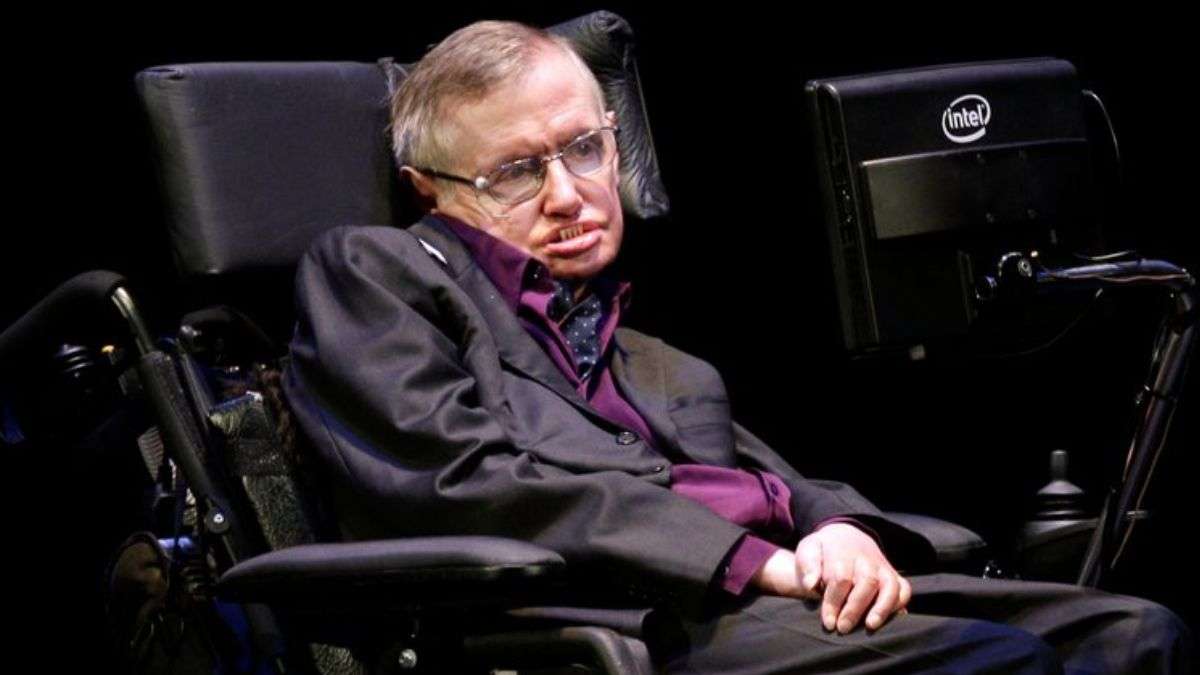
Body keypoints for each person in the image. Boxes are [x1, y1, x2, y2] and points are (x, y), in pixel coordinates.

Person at [281, 19, 1193, 673]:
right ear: (430, 190)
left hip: (759, 592)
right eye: (517, 171)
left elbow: (768, 478)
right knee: (995, 659)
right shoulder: (377, 272)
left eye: (585, 149)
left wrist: (835, 528)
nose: (567, 194)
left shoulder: (651, 359)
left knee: (1131, 635)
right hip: (625, 608)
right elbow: (461, 482)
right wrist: (756, 560)